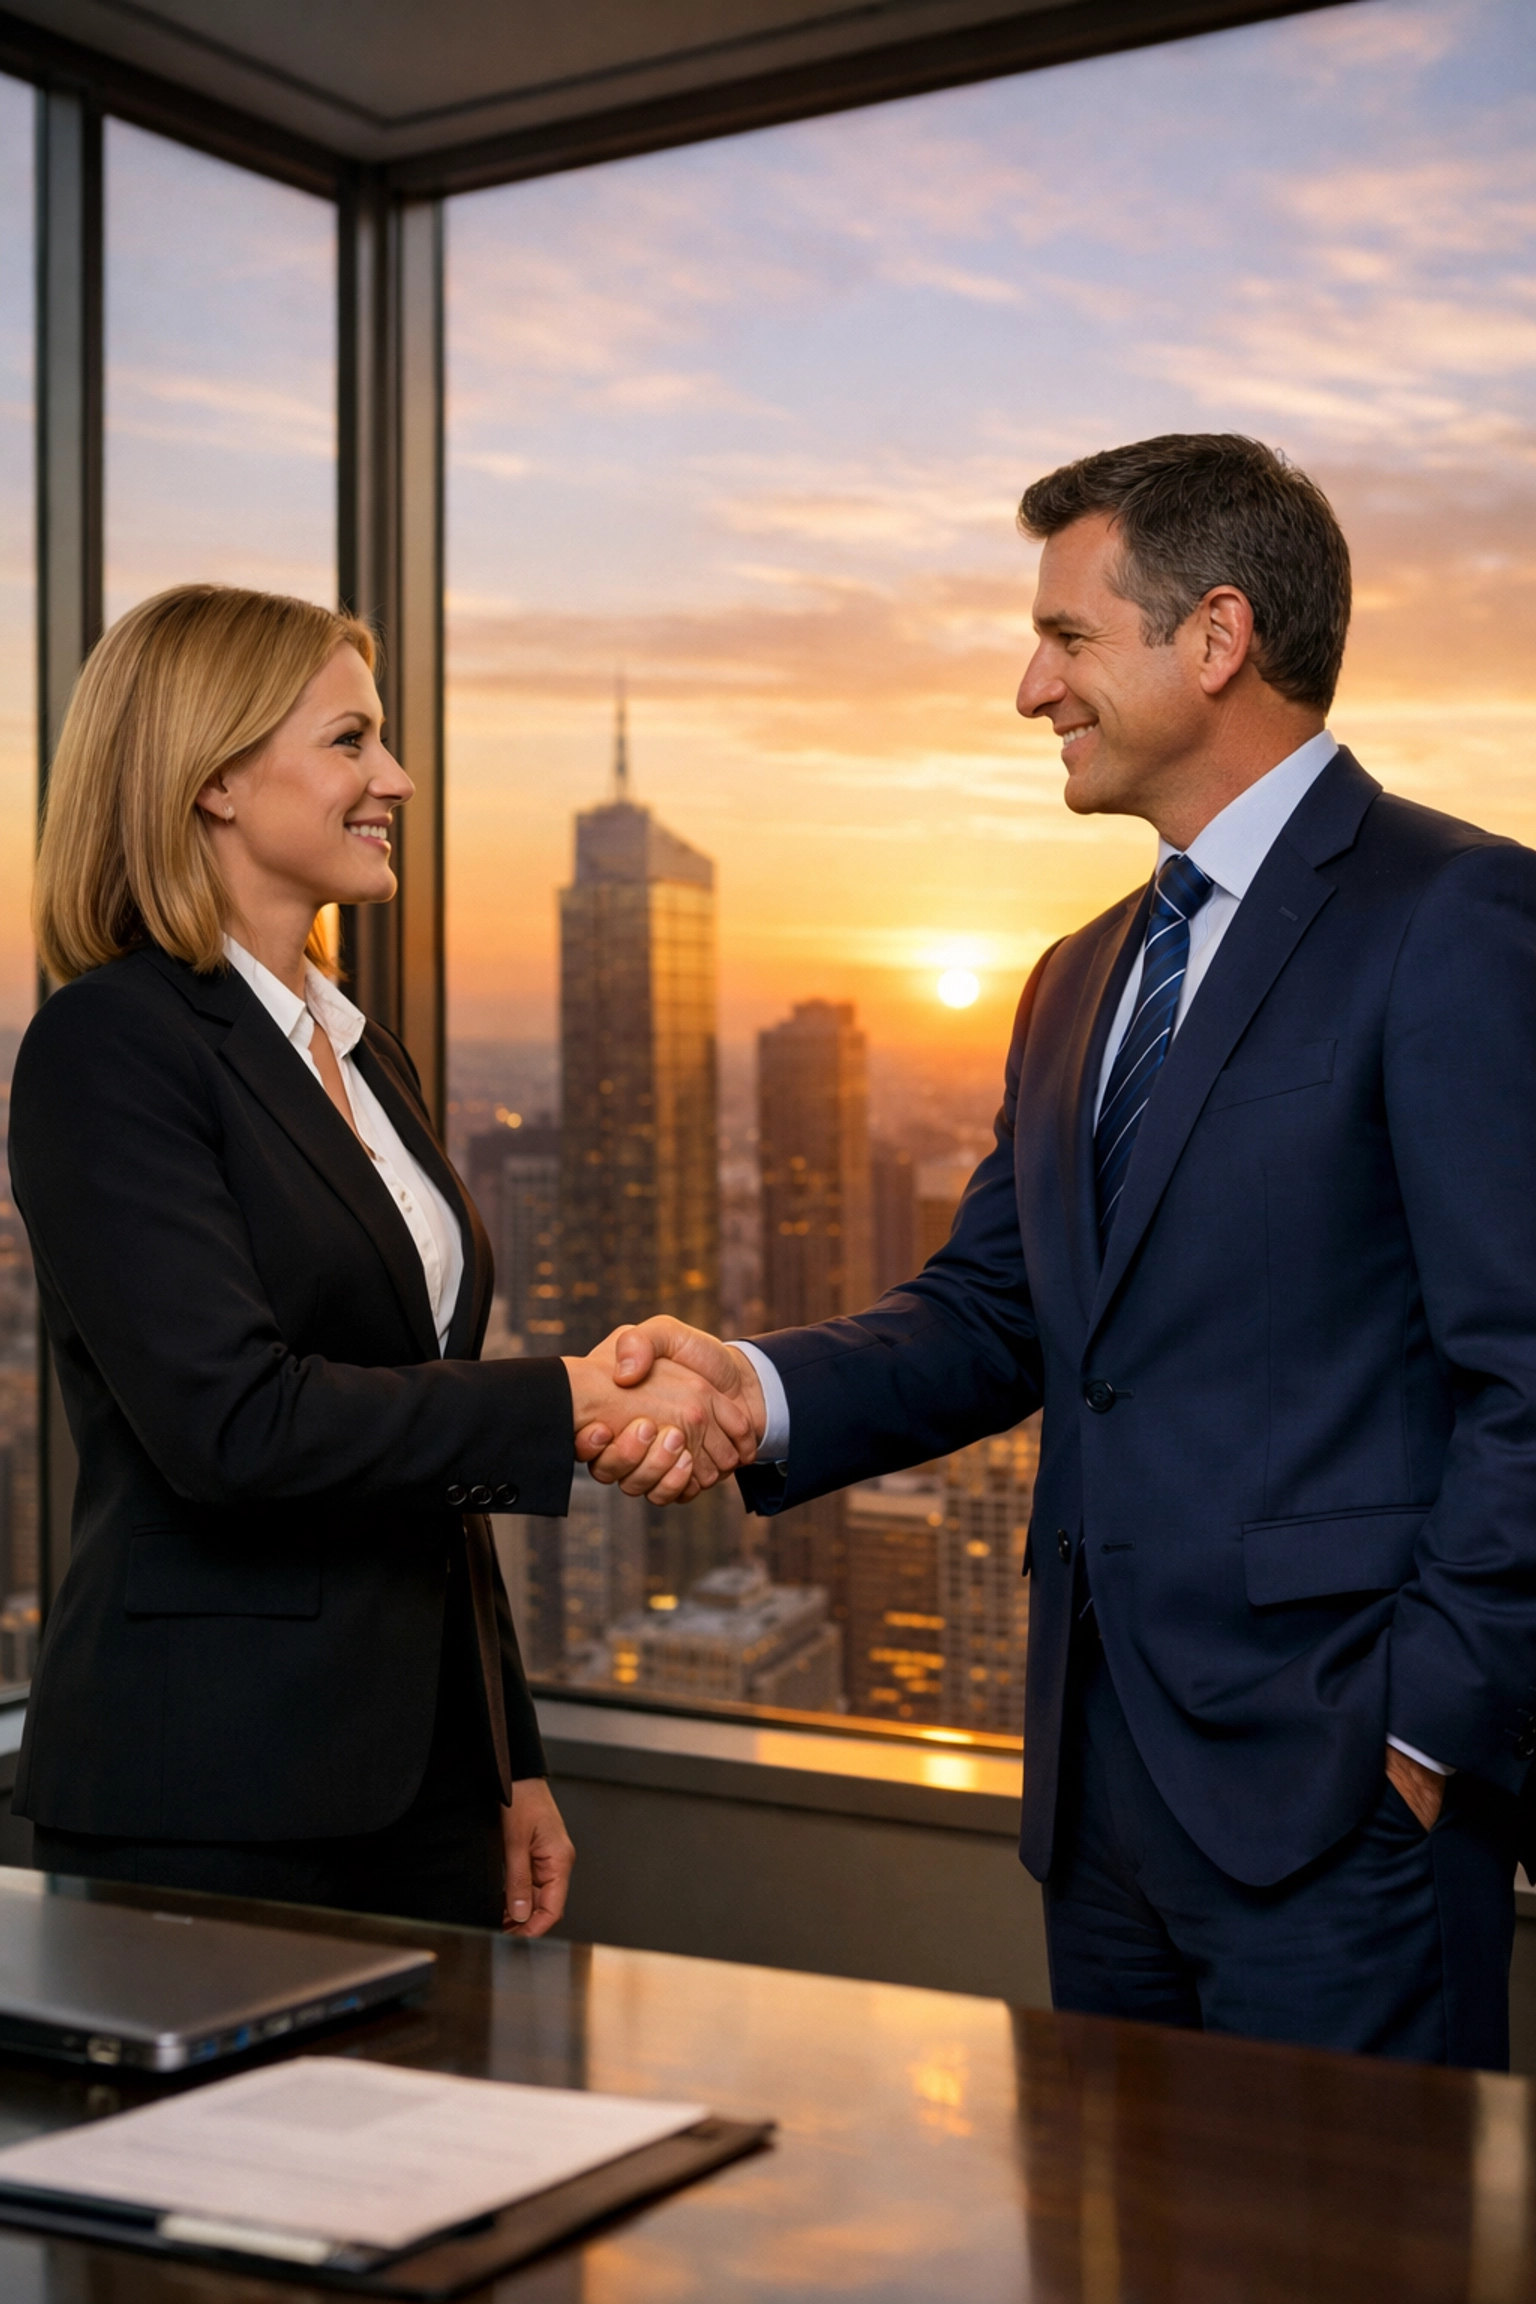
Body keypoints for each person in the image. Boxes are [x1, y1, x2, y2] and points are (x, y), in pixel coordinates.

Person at [593, 434, 1536, 2068]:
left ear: (1218, 637)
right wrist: (752, 1390)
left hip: (1342, 1809)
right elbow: (998, 1311)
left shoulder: (1455, 914)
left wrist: (1421, 1732)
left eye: (1069, 636)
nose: (1031, 687)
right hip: (1097, 1809)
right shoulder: (1075, 976)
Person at [10, 583, 751, 1931]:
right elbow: (233, 1426)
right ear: (216, 777)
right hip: (212, 1796)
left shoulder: (362, 1054)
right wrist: (570, 1398)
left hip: (426, 1786)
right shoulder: (109, 1046)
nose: (395, 779)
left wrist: (508, 1755)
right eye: (352, 740)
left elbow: (423, 1457)